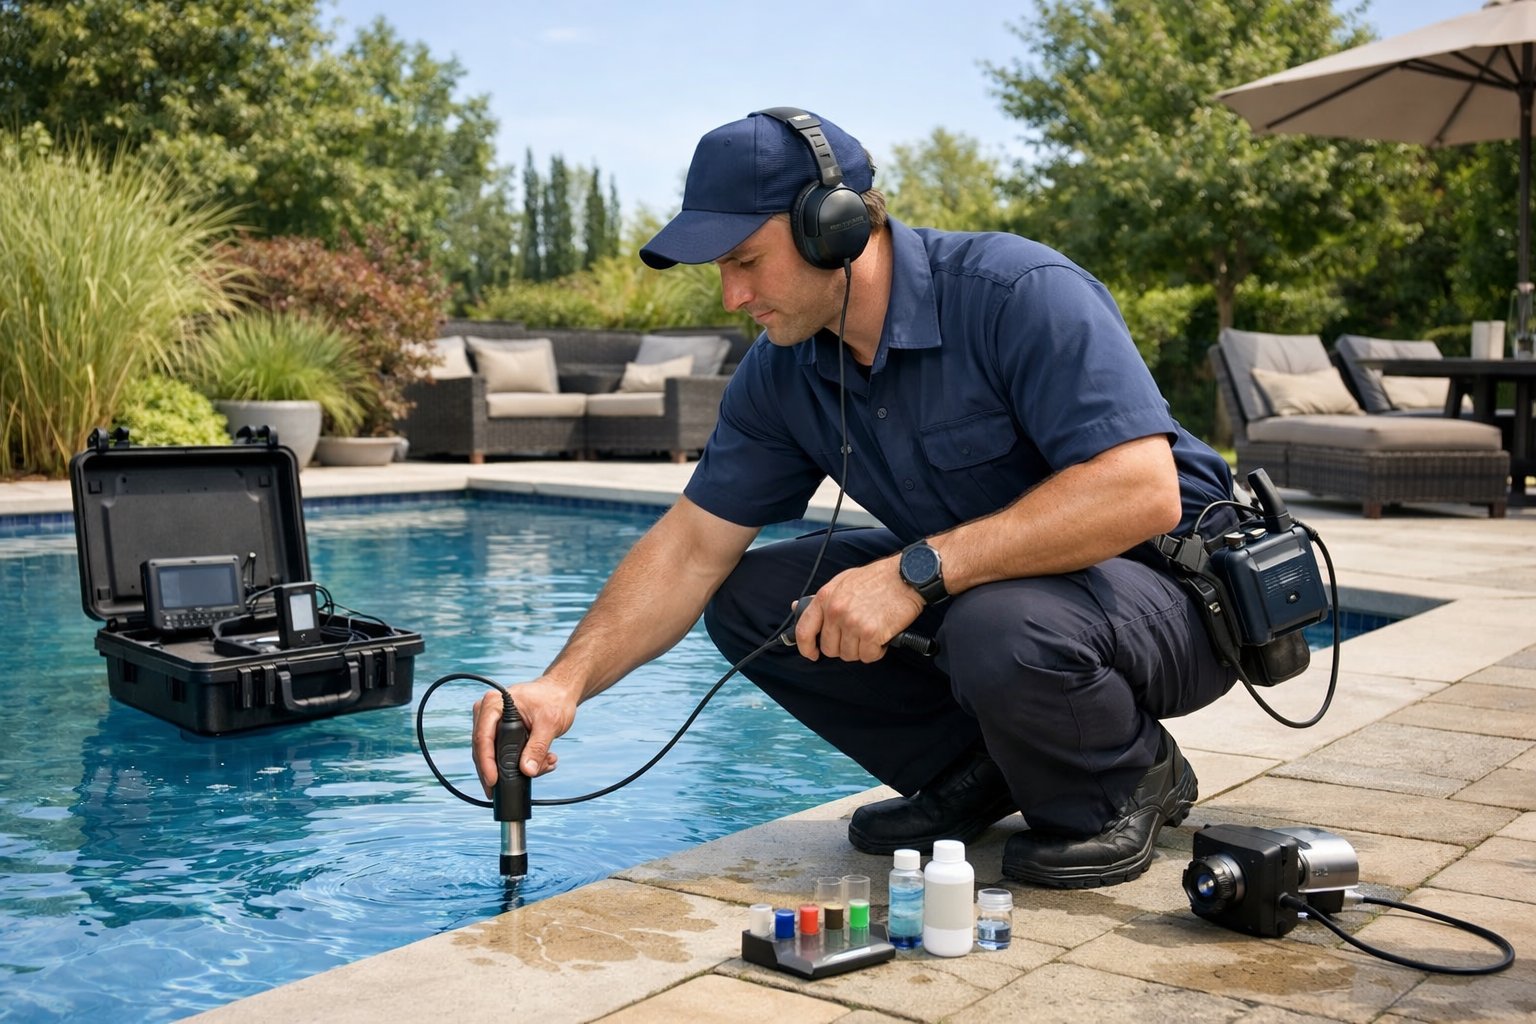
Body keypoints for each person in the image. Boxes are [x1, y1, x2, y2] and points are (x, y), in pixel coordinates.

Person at [473, 107, 1240, 888]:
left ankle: (1129, 777)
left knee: (996, 624)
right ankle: (985, 769)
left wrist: (913, 573)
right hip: (1003, 595)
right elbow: (690, 547)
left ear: (832, 228)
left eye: (745, 261)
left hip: (1174, 595)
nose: (731, 296)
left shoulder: (1019, 292)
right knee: (759, 598)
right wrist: (560, 685)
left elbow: (1139, 494)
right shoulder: (785, 369)